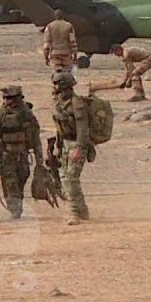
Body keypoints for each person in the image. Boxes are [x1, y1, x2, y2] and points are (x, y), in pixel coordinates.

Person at [0, 85, 42, 219]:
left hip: (22, 154)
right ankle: (15, 209)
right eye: (6, 98)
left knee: (21, 180)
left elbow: (35, 136)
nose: (8, 101)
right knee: (10, 183)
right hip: (6, 155)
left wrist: (39, 158)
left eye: (11, 98)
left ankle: (17, 203)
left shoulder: (27, 113)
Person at [51, 70, 93, 224]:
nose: (55, 86)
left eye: (57, 83)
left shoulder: (77, 104)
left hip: (77, 144)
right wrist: (57, 146)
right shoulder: (59, 103)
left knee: (71, 178)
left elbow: (83, 129)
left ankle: (75, 211)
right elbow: (59, 127)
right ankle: (82, 210)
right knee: (64, 178)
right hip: (65, 144)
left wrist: (79, 149)